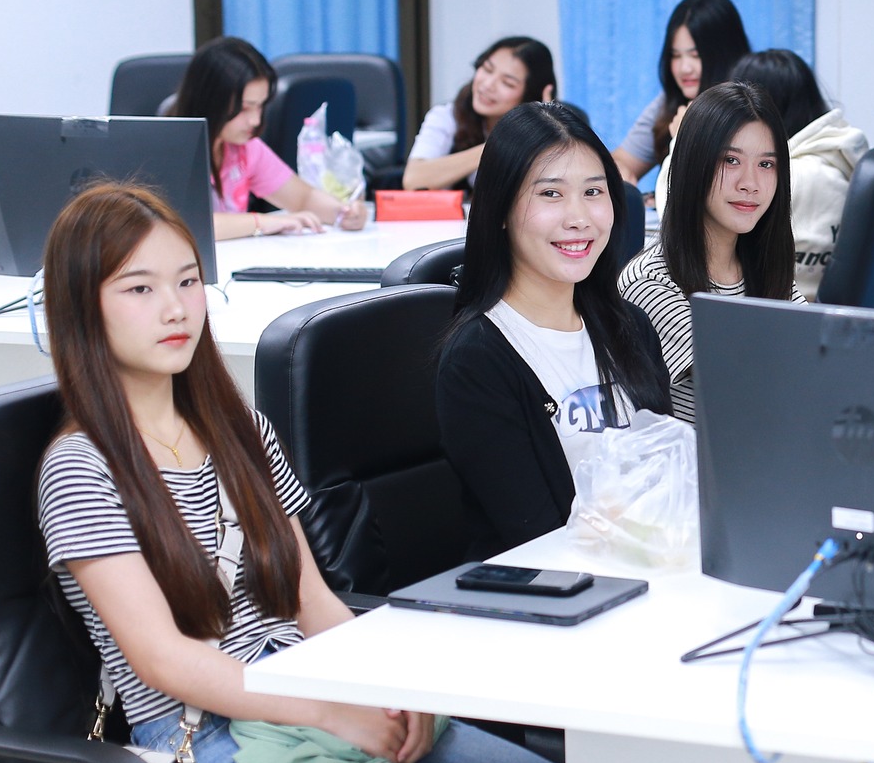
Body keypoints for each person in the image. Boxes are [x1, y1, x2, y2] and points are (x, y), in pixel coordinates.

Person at [34, 183, 569, 763]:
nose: (175, 307)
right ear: (82, 307)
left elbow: (311, 598)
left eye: (187, 280)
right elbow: (166, 660)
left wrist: (383, 689)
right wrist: (331, 711)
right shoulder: (80, 468)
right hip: (208, 749)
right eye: (139, 287)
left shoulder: (237, 427)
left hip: (307, 699)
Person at [437, 103, 672, 560]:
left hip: (653, 567)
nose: (579, 217)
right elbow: (538, 538)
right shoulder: (477, 359)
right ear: (500, 208)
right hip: (551, 588)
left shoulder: (630, 327)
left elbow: (667, 478)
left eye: (593, 191)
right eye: (550, 194)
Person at [620, 81, 802, 423]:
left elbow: (814, 365)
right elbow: (755, 388)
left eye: (766, 164)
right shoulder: (650, 283)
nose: (750, 183)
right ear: (694, 165)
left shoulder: (760, 266)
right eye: (731, 160)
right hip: (700, 456)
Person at [169, 37, 366, 241]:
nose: (255, 120)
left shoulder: (245, 148)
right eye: (244, 108)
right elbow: (184, 225)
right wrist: (261, 222)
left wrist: (343, 212)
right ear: (210, 99)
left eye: (260, 106)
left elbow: (302, 198)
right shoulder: (170, 149)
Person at [729, 49, 868, 301]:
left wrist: (684, 140)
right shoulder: (836, 153)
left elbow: (683, 215)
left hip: (783, 309)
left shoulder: (796, 175)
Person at [612, 0, 752, 185]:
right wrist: (619, 173)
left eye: (696, 55)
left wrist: (687, 138)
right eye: (676, 56)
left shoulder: (751, 107)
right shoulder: (670, 102)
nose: (685, 68)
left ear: (726, 54)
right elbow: (620, 161)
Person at [403, 36, 557, 190]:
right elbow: (413, 180)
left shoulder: (549, 131)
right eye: (487, 69)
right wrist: (497, 146)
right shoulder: (447, 116)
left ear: (531, 95)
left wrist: (541, 131)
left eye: (507, 83)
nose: (488, 85)